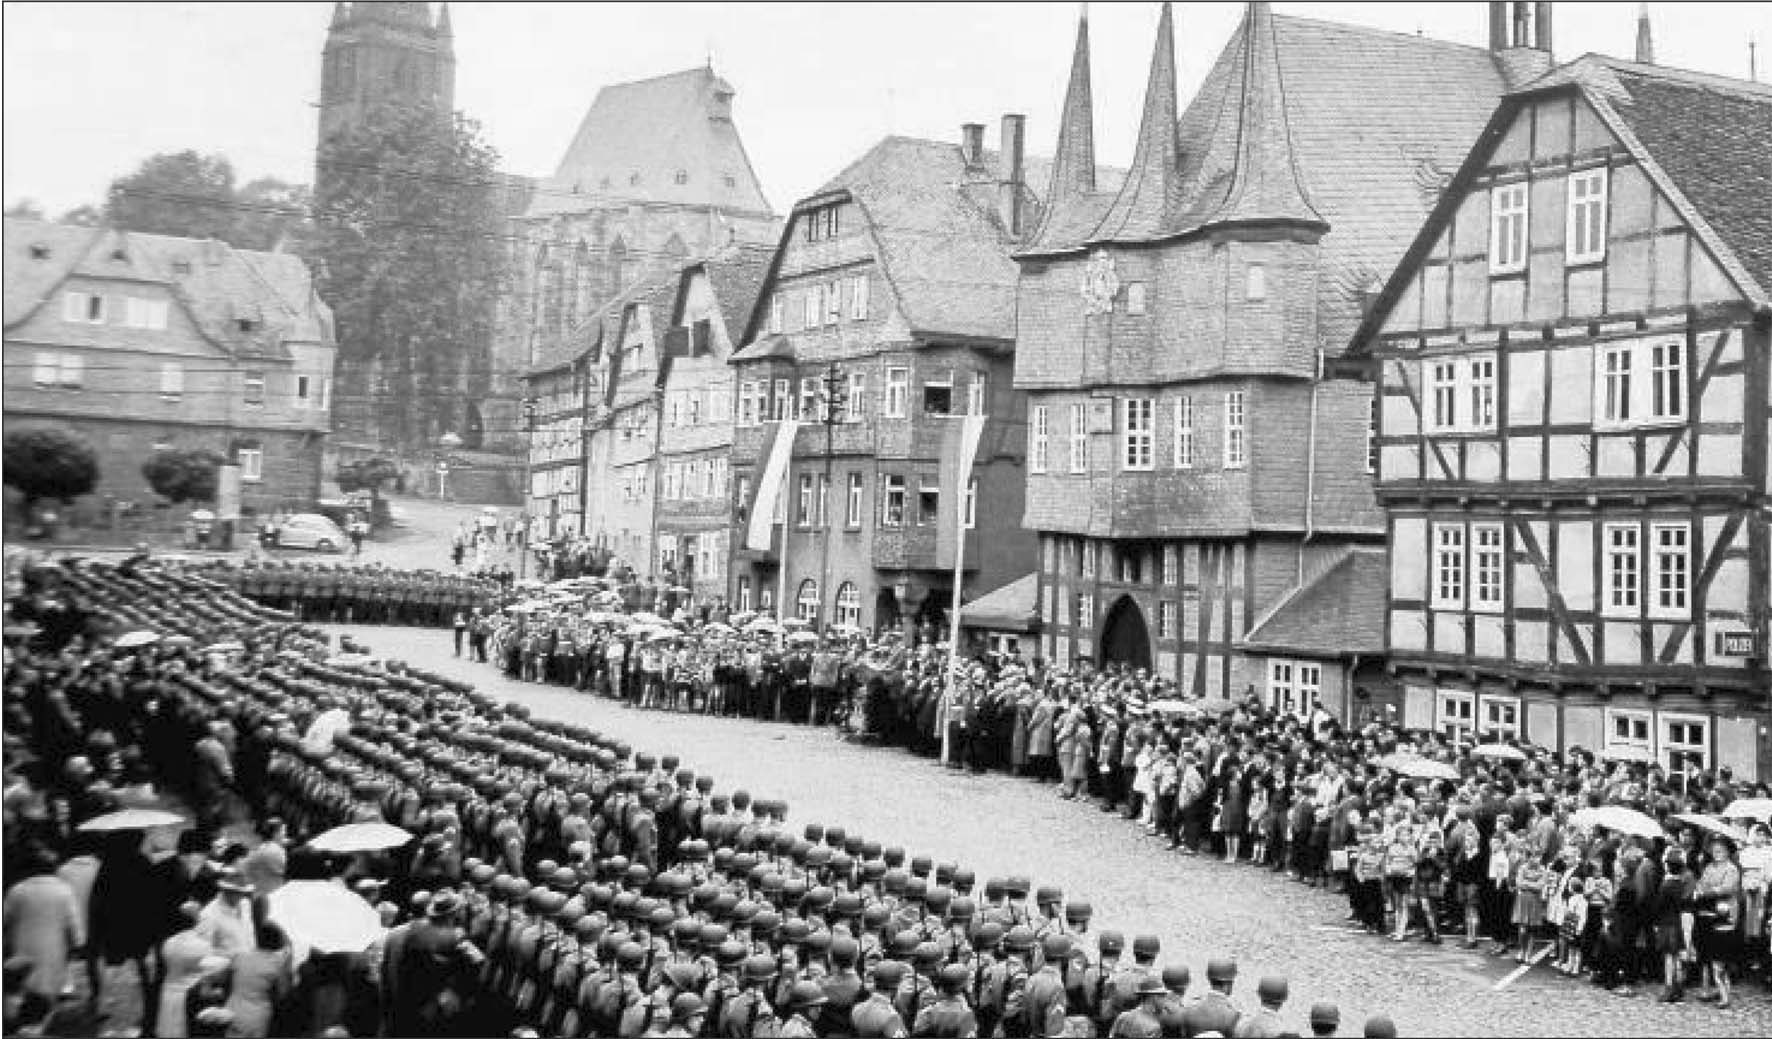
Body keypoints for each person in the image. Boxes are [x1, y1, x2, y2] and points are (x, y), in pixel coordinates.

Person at [2, 847, 84, 1023]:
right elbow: (73, 922)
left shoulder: (17, 890)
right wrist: (77, 943)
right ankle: (42, 1023)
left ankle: (19, 1022)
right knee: (48, 990)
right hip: (54, 949)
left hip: (21, 947)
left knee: (23, 987)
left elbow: (4, 919)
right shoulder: (64, 890)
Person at [223, 917, 293, 1038]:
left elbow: (226, 978)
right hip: (258, 1016)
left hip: (233, 1009)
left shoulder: (240, 957)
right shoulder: (277, 964)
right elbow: (283, 992)